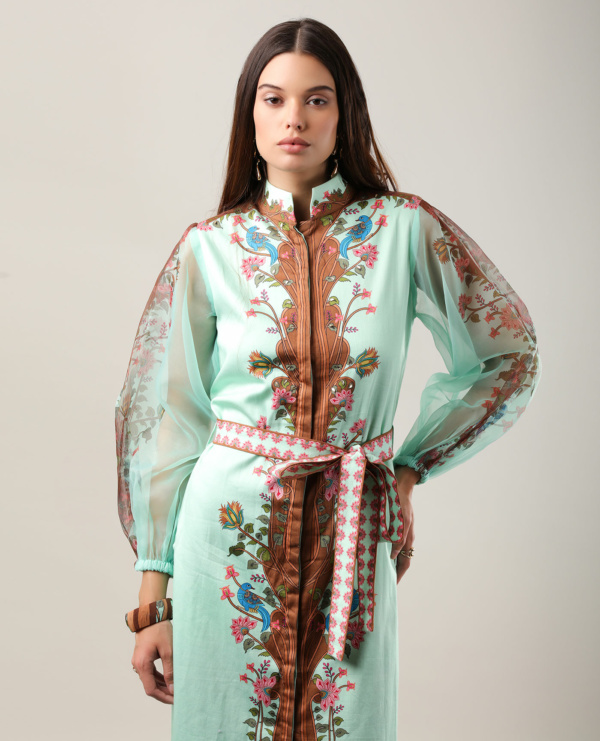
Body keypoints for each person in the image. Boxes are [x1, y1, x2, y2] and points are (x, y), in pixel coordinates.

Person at [115, 17, 541, 741]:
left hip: (354, 520)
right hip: (226, 538)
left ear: (346, 114)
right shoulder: (209, 248)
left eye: (317, 100)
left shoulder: (404, 229)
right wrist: (154, 596)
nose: (295, 119)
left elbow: (509, 352)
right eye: (274, 99)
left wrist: (409, 468)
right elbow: (171, 416)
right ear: (250, 113)